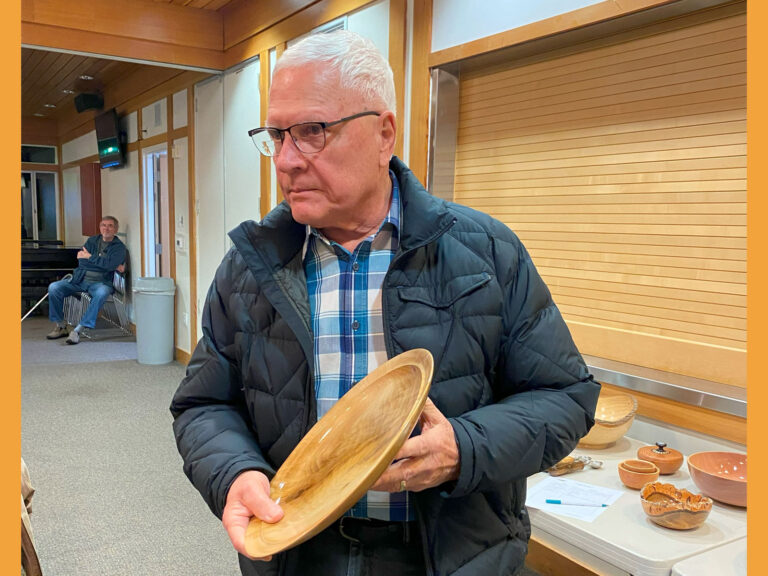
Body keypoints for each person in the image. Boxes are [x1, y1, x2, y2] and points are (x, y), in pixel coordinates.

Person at [171, 30, 600, 576]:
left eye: (311, 132)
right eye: (277, 135)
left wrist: (461, 449)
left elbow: (566, 396)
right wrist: (235, 473)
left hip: (449, 556)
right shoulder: (251, 267)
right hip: (298, 552)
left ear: (384, 134)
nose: (285, 160)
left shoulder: (485, 251)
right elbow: (203, 404)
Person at [46, 216, 126, 345]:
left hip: (101, 283)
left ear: (116, 229)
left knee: (101, 294)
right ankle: (61, 326)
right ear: (100, 227)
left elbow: (108, 266)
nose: (106, 228)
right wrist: (104, 263)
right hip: (80, 279)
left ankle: (78, 330)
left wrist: (90, 257)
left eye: (110, 226)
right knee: (54, 287)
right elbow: (82, 262)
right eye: (103, 225)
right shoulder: (92, 241)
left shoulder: (119, 248)